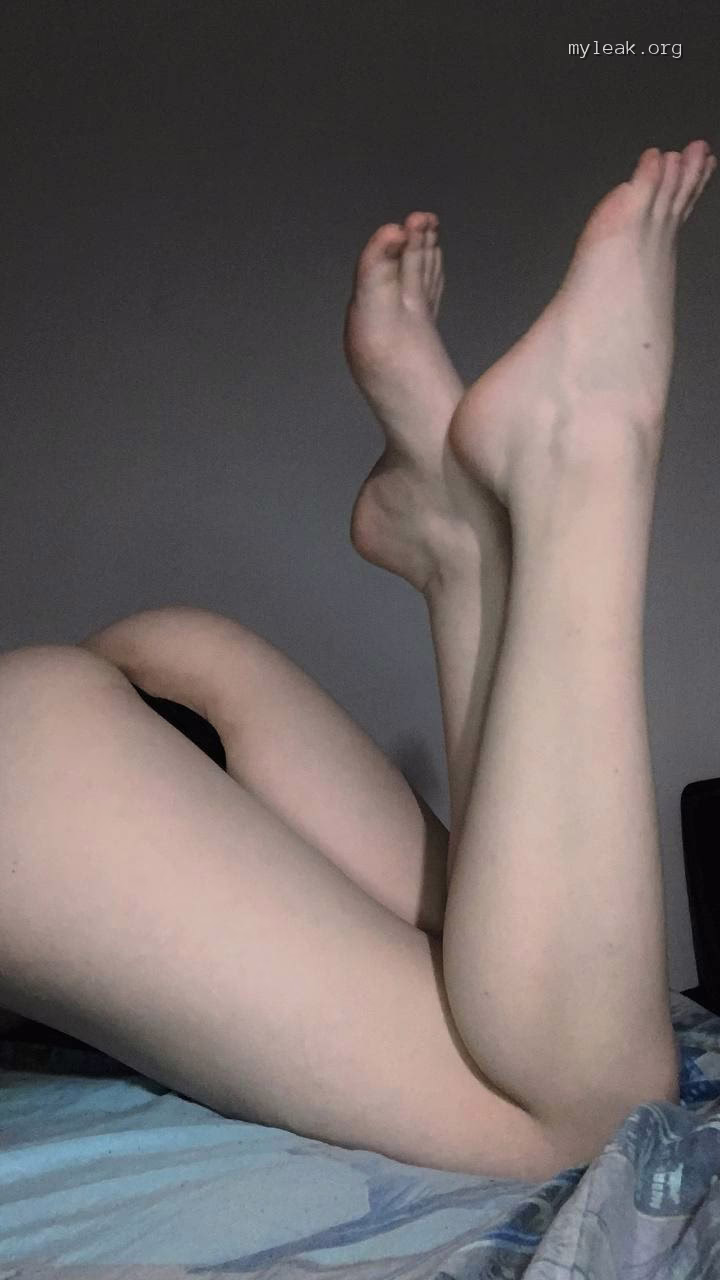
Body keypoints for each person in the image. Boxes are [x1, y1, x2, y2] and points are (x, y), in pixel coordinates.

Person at [0, 141, 714, 1182]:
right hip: (92, 728)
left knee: (555, 1052)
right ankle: (499, 519)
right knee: (571, 1067)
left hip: (52, 758)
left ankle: (517, 509)